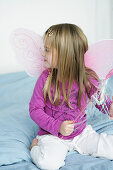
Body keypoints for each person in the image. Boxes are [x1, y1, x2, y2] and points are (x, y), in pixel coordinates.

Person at [29, 23, 113, 170]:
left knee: (110, 149)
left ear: (64, 55)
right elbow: (34, 109)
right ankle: (34, 147)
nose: (42, 53)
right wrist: (57, 127)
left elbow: (99, 99)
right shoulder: (45, 78)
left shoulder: (87, 78)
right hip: (52, 135)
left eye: (47, 50)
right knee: (48, 164)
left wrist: (110, 107)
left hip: (81, 133)